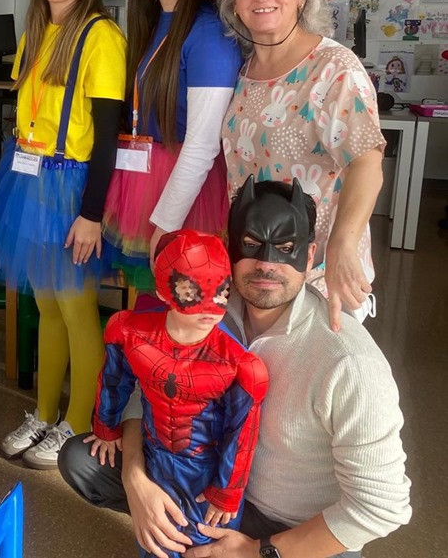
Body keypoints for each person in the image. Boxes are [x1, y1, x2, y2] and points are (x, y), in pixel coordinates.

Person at [59, 178, 411, 558]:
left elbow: (381, 506)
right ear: (229, 247)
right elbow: (147, 382)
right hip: (199, 478)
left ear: (309, 257)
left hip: (290, 527)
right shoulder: (209, 308)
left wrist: (260, 551)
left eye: (286, 249)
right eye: (251, 245)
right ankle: (171, 524)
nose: (266, 264)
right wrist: (135, 476)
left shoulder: (349, 362)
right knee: (82, 459)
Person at [0, 0, 127, 468]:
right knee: (45, 302)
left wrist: (91, 214)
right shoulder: (36, 33)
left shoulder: (102, 39)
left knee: (75, 304)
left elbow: (108, 137)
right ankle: (43, 412)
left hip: (72, 187)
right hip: (30, 179)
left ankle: (78, 423)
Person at [195, 0, 384, 329]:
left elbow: (367, 162)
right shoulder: (243, 71)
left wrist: (343, 246)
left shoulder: (334, 68)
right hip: (254, 268)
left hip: (314, 273)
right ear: (235, 4)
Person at [103, 0, 243, 296]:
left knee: (184, 320)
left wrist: (164, 226)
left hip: (185, 195)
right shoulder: (153, 22)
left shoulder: (208, 32)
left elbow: (202, 145)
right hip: (145, 180)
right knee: (151, 314)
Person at [90, 230, 268, 557]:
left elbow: (241, 433)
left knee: (204, 548)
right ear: (163, 289)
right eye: (190, 291)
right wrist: (106, 426)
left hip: (206, 476)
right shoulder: (130, 332)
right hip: (155, 458)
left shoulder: (239, 365)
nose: (209, 308)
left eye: (221, 291)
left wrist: (226, 492)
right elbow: (115, 378)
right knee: (154, 541)